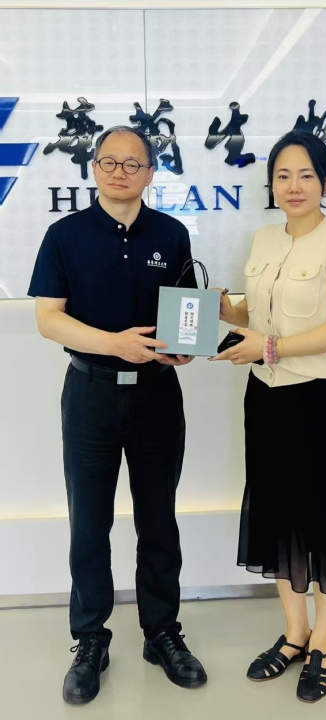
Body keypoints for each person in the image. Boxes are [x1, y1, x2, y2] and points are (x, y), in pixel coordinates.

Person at [28, 126, 208, 705]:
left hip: (157, 394)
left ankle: (162, 633)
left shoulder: (172, 233)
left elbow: (187, 316)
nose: (119, 172)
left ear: (151, 173)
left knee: (159, 519)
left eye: (133, 164)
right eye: (109, 162)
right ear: (94, 168)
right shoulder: (65, 235)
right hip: (90, 395)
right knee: (89, 523)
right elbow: (49, 318)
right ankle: (90, 641)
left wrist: (187, 347)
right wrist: (113, 344)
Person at [212, 129, 326, 703]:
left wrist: (270, 347)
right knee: (277, 511)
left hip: (319, 400)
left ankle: (325, 641)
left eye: (305, 175)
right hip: (266, 397)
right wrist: (219, 307)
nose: (293, 185)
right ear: (272, 185)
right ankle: (294, 633)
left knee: (325, 517)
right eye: (282, 175)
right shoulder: (263, 239)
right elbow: (255, 312)